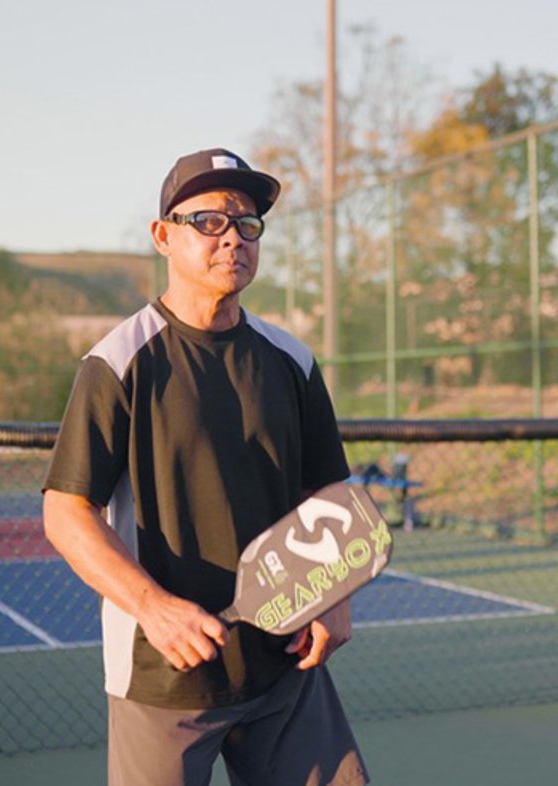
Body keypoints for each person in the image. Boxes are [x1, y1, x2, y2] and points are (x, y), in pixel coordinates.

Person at [43, 148, 367, 786]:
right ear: (163, 236)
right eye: (210, 221)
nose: (234, 239)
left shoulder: (290, 359)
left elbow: (327, 488)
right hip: (163, 678)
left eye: (248, 224)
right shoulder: (118, 364)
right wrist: (156, 609)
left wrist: (334, 596)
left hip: (285, 666)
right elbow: (65, 512)